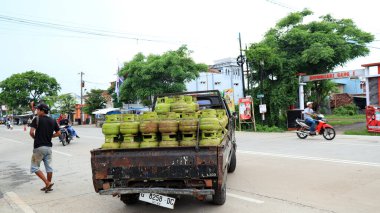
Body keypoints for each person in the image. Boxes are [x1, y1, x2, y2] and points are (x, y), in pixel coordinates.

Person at [29, 103, 61, 193]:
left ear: (42, 111)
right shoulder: (53, 120)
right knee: (49, 168)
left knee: (34, 168)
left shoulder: (37, 119)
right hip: (48, 148)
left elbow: (31, 132)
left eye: (38, 110)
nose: (37, 111)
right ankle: (48, 185)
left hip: (39, 148)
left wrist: (36, 138)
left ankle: (47, 182)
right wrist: (50, 136)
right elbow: (59, 133)